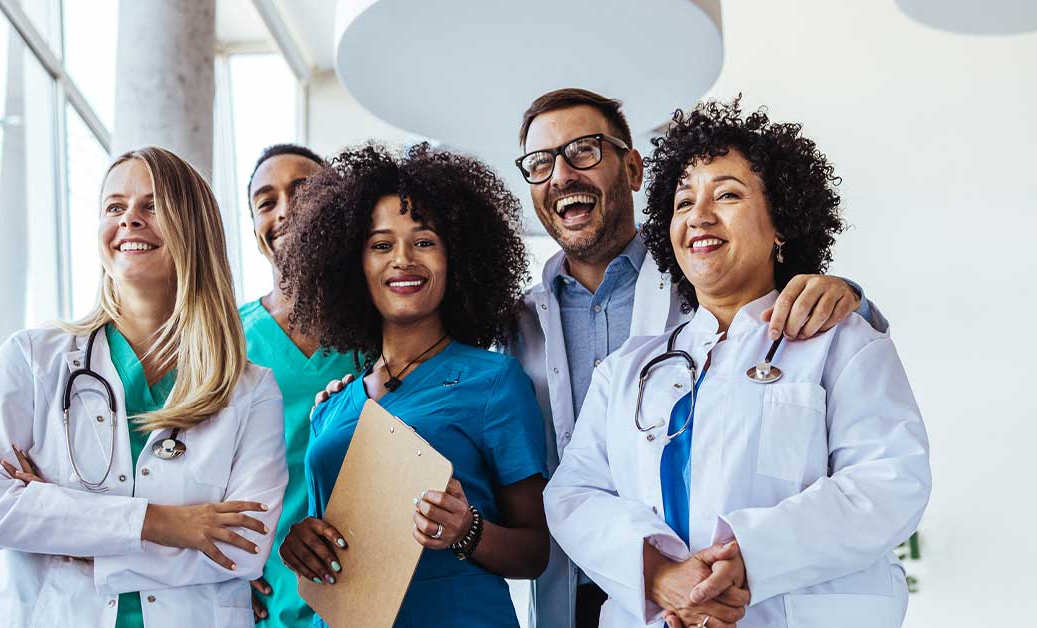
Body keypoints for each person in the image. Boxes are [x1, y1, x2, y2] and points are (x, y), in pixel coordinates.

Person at [508, 88, 889, 628]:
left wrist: (735, 568)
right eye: (541, 162)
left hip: (769, 601)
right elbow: (571, 488)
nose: (562, 174)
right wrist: (659, 576)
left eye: (584, 150)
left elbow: (883, 477)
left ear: (634, 168)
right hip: (600, 584)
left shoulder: (806, 322)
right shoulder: (517, 321)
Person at [0, 146, 288, 628]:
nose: (130, 219)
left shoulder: (249, 390)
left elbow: (241, 549)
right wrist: (168, 524)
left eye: (152, 206)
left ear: (193, 228)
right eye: (115, 207)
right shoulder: (34, 360)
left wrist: (60, 526)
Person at [276, 143, 550, 627]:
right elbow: (333, 540)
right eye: (381, 245)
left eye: (424, 241)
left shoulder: (495, 382)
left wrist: (468, 530)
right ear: (351, 266)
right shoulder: (331, 407)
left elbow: (534, 553)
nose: (402, 259)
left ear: (456, 259)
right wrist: (301, 543)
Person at [240, 143, 358, 627]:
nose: (285, 210)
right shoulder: (227, 338)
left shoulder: (380, 327)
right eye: (266, 201)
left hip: (368, 581)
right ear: (255, 229)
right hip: (270, 595)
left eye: (303, 192)